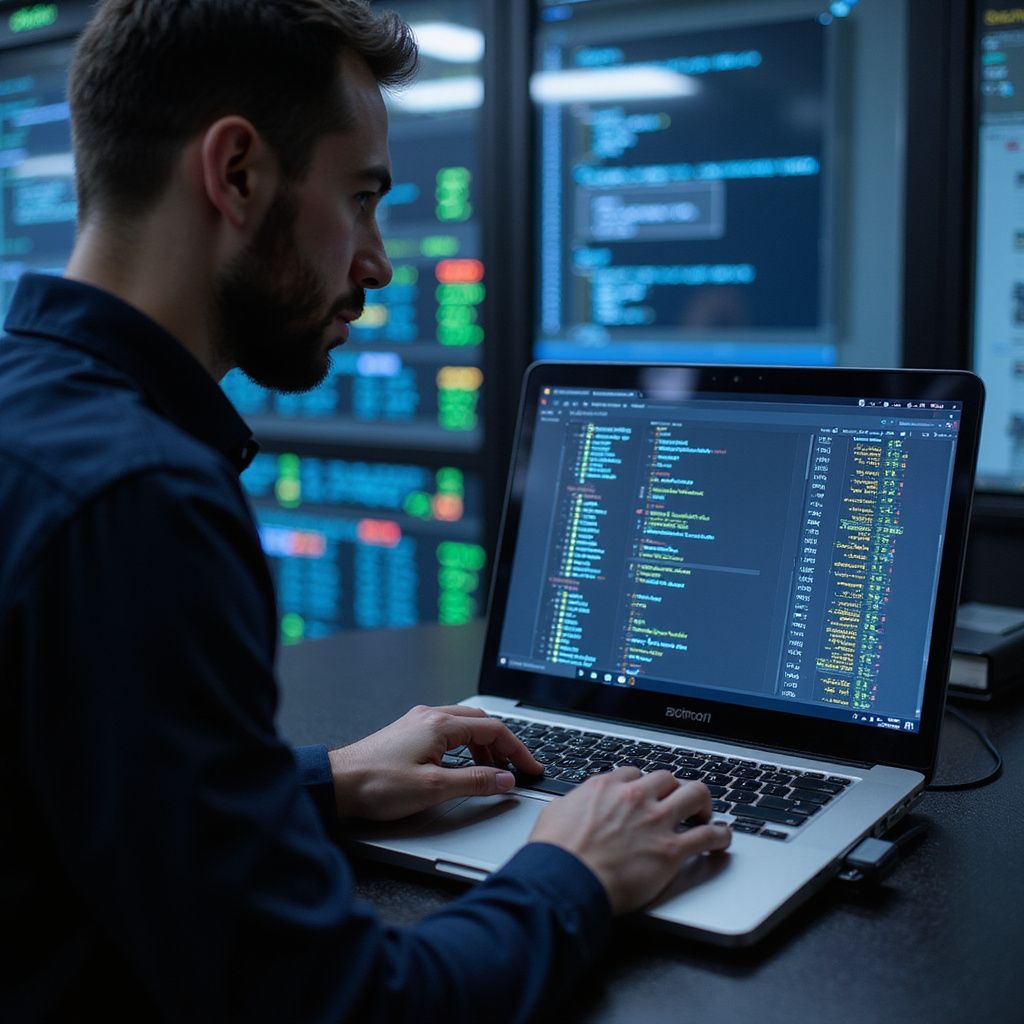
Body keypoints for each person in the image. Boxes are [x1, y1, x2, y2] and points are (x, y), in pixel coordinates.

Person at [0, 1, 731, 1020]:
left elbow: (52, 807)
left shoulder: (28, 415)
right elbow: (340, 1006)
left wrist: (320, 782)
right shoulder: (139, 504)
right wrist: (571, 869)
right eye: (361, 198)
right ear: (238, 173)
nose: (378, 261)